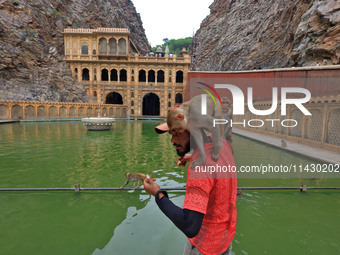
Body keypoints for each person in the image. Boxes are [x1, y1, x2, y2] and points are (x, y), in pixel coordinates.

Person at [143, 117, 237, 255]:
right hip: (225, 239)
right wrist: (191, 156)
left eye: (178, 134)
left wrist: (158, 194)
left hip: (204, 247)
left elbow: (190, 225)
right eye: (171, 134)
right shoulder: (221, 144)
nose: (172, 140)